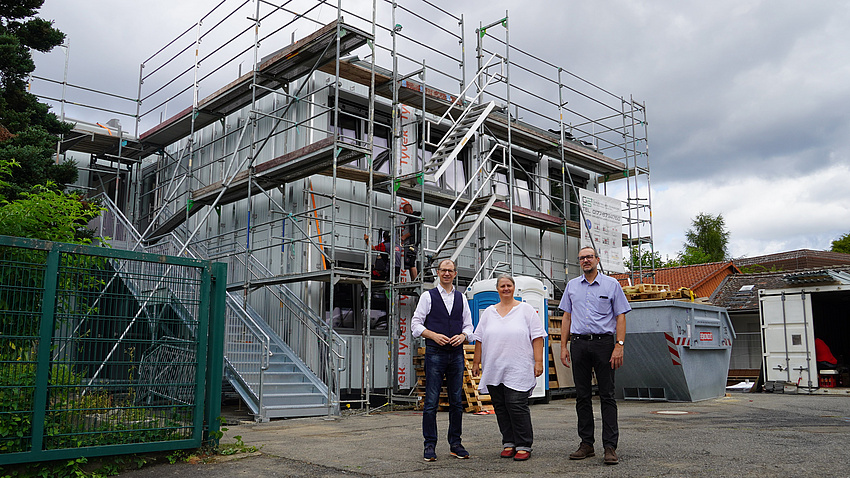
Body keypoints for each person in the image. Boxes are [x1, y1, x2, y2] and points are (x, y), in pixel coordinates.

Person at [559, 246, 631, 465]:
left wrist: (619, 345)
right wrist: (563, 346)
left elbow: (620, 317)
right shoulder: (572, 286)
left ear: (597, 260)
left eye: (589, 257)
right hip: (579, 344)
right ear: (579, 262)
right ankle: (586, 444)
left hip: (604, 345)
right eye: (581, 258)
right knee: (582, 396)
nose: (585, 260)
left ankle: (610, 447)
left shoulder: (612, 285)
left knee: (607, 395)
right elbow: (566, 317)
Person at [471, 275, 547, 461]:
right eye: (502, 286)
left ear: (514, 288)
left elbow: (537, 337)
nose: (506, 288)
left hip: (518, 367)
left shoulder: (526, 310)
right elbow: (479, 339)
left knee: (516, 405)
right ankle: (509, 442)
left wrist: (538, 362)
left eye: (509, 285)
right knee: (501, 406)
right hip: (494, 367)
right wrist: (475, 362)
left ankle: (523, 444)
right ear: (497, 289)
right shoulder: (489, 312)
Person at [411, 259, 473, 461]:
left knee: (456, 401)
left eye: (450, 271)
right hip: (435, 353)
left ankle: (456, 443)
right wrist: (432, 335)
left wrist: (463, 336)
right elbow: (415, 325)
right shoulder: (427, 297)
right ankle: (429, 445)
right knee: (431, 401)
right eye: (443, 270)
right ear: (438, 273)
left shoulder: (461, 298)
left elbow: (469, 327)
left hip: (456, 354)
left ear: (455, 274)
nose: (447, 273)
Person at [400, 202, 421, 280]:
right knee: (409, 262)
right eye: (404, 211)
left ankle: (415, 280)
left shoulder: (413, 217)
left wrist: (404, 236)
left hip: (412, 243)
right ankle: (413, 280)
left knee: (411, 261)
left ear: (411, 210)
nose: (405, 213)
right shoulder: (408, 219)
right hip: (408, 243)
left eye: (406, 211)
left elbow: (414, 230)